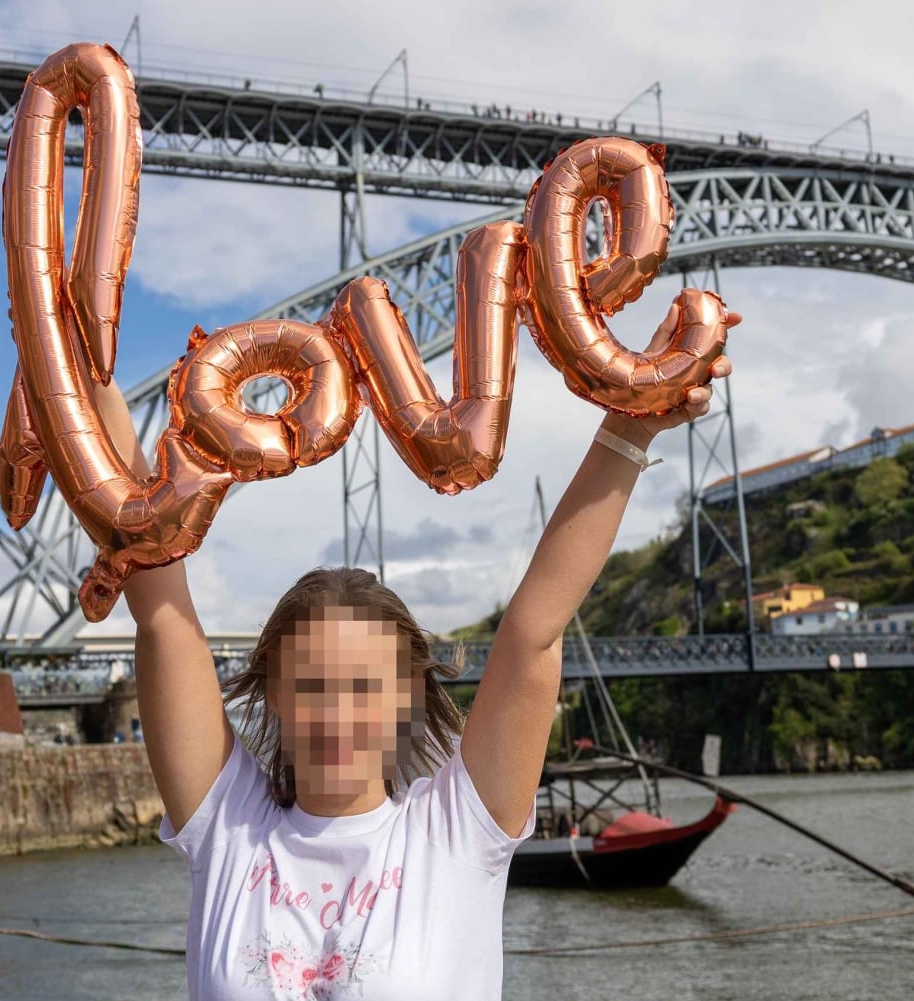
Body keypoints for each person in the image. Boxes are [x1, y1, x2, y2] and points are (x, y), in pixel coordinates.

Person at [89, 321, 729, 998]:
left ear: (406, 697)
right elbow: (162, 604)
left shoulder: (455, 829)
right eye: (312, 685)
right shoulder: (229, 827)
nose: (337, 714)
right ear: (275, 693)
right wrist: (74, 357)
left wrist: (631, 428)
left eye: (365, 686)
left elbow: (533, 631)